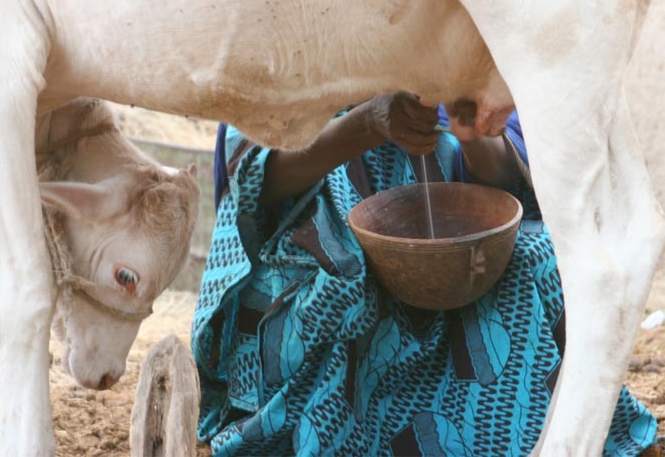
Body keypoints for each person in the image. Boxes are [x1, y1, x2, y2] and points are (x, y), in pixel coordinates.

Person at [193, 92, 656, 456]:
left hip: (447, 238)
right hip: (312, 246)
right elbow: (256, 185)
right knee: (346, 283)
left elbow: (506, 180)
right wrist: (368, 124)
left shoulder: (458, 27)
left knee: (540, 260)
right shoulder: (289, 38)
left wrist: (474, 131)